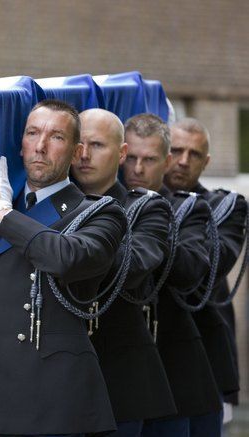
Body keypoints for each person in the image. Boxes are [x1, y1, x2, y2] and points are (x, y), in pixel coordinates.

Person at [0, 100, 126, 436]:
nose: (40, 146)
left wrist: (6, 217)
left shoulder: (98, 212)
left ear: (75, 151)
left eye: (56, 137)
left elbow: (65, 259)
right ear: (20, 144)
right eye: (32, 133)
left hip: (49, 394)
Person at [71, 108, 176, 436]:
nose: (84, 155)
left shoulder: (145, 207)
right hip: (61, 376)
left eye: (97, 145)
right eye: (78, 144)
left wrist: (64, 248)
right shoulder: (52, 203)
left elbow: (132, 267)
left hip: (119, 376)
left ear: (121, 154)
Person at [121, 113, 222, 437]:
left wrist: (153, 227)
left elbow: (193, 271)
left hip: (173, 364)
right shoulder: (107, 205)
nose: (138, 169)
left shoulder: (186, 208)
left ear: (164, 162)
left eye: (149, 160)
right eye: (132, 158)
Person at [165, 118, 247, 432]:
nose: (183, 161)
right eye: (176, 150)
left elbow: (209, 266)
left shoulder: (224, 206)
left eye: (194, 154)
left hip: (205, 357)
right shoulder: (130, 200)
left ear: (206, 161)